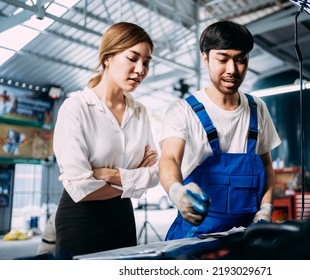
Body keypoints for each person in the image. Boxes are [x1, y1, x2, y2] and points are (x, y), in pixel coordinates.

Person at [158, 20, 281, 240]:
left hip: (246, 235)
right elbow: (169, 160)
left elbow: (267, 167)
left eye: (241, 60)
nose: (232, 70)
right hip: (196, 236)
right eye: (222, 59)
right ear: (205, 57)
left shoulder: (257, 108)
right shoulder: (183, 111)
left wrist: (266, 208)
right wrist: (177, 191)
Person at [53, 22, 159, 257]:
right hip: (81, 219)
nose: (140, 69)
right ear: (108, 57)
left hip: (122, 216)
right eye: (133, 58)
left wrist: (109, 174)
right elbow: (81, 188)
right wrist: (133, 179)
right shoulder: (76, 108)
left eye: (146, 62)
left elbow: (153, 174)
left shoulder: (139, 112)